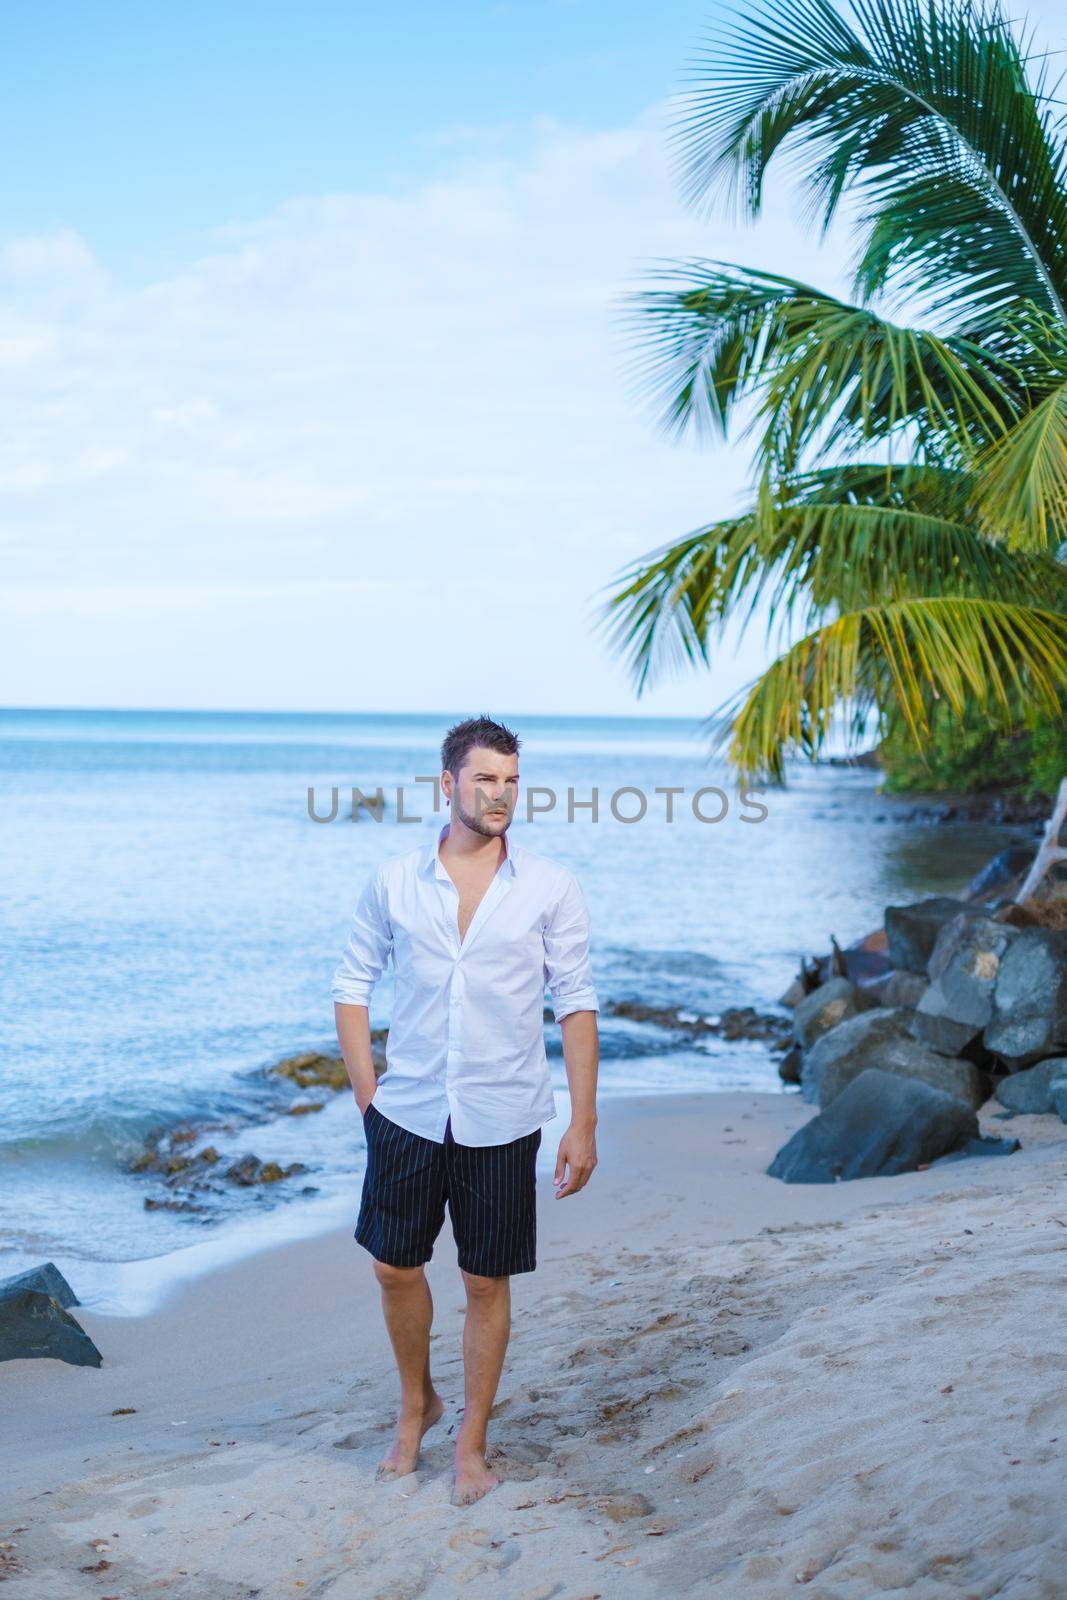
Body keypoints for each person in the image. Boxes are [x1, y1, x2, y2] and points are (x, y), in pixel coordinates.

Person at [331, 714, 600, 1506]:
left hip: (504, 1113)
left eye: (511, 781)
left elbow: (575, 1005)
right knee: (392, 1265)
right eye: (484, 779)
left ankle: (471, 1441)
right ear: (447, 784)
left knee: (486, 1282)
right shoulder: (394, 881)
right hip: (406, 1109)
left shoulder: (550, 886)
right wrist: (365, 1090)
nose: (500, 795)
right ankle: (418, 1402)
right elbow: (352, 985)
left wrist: (581, 1122)